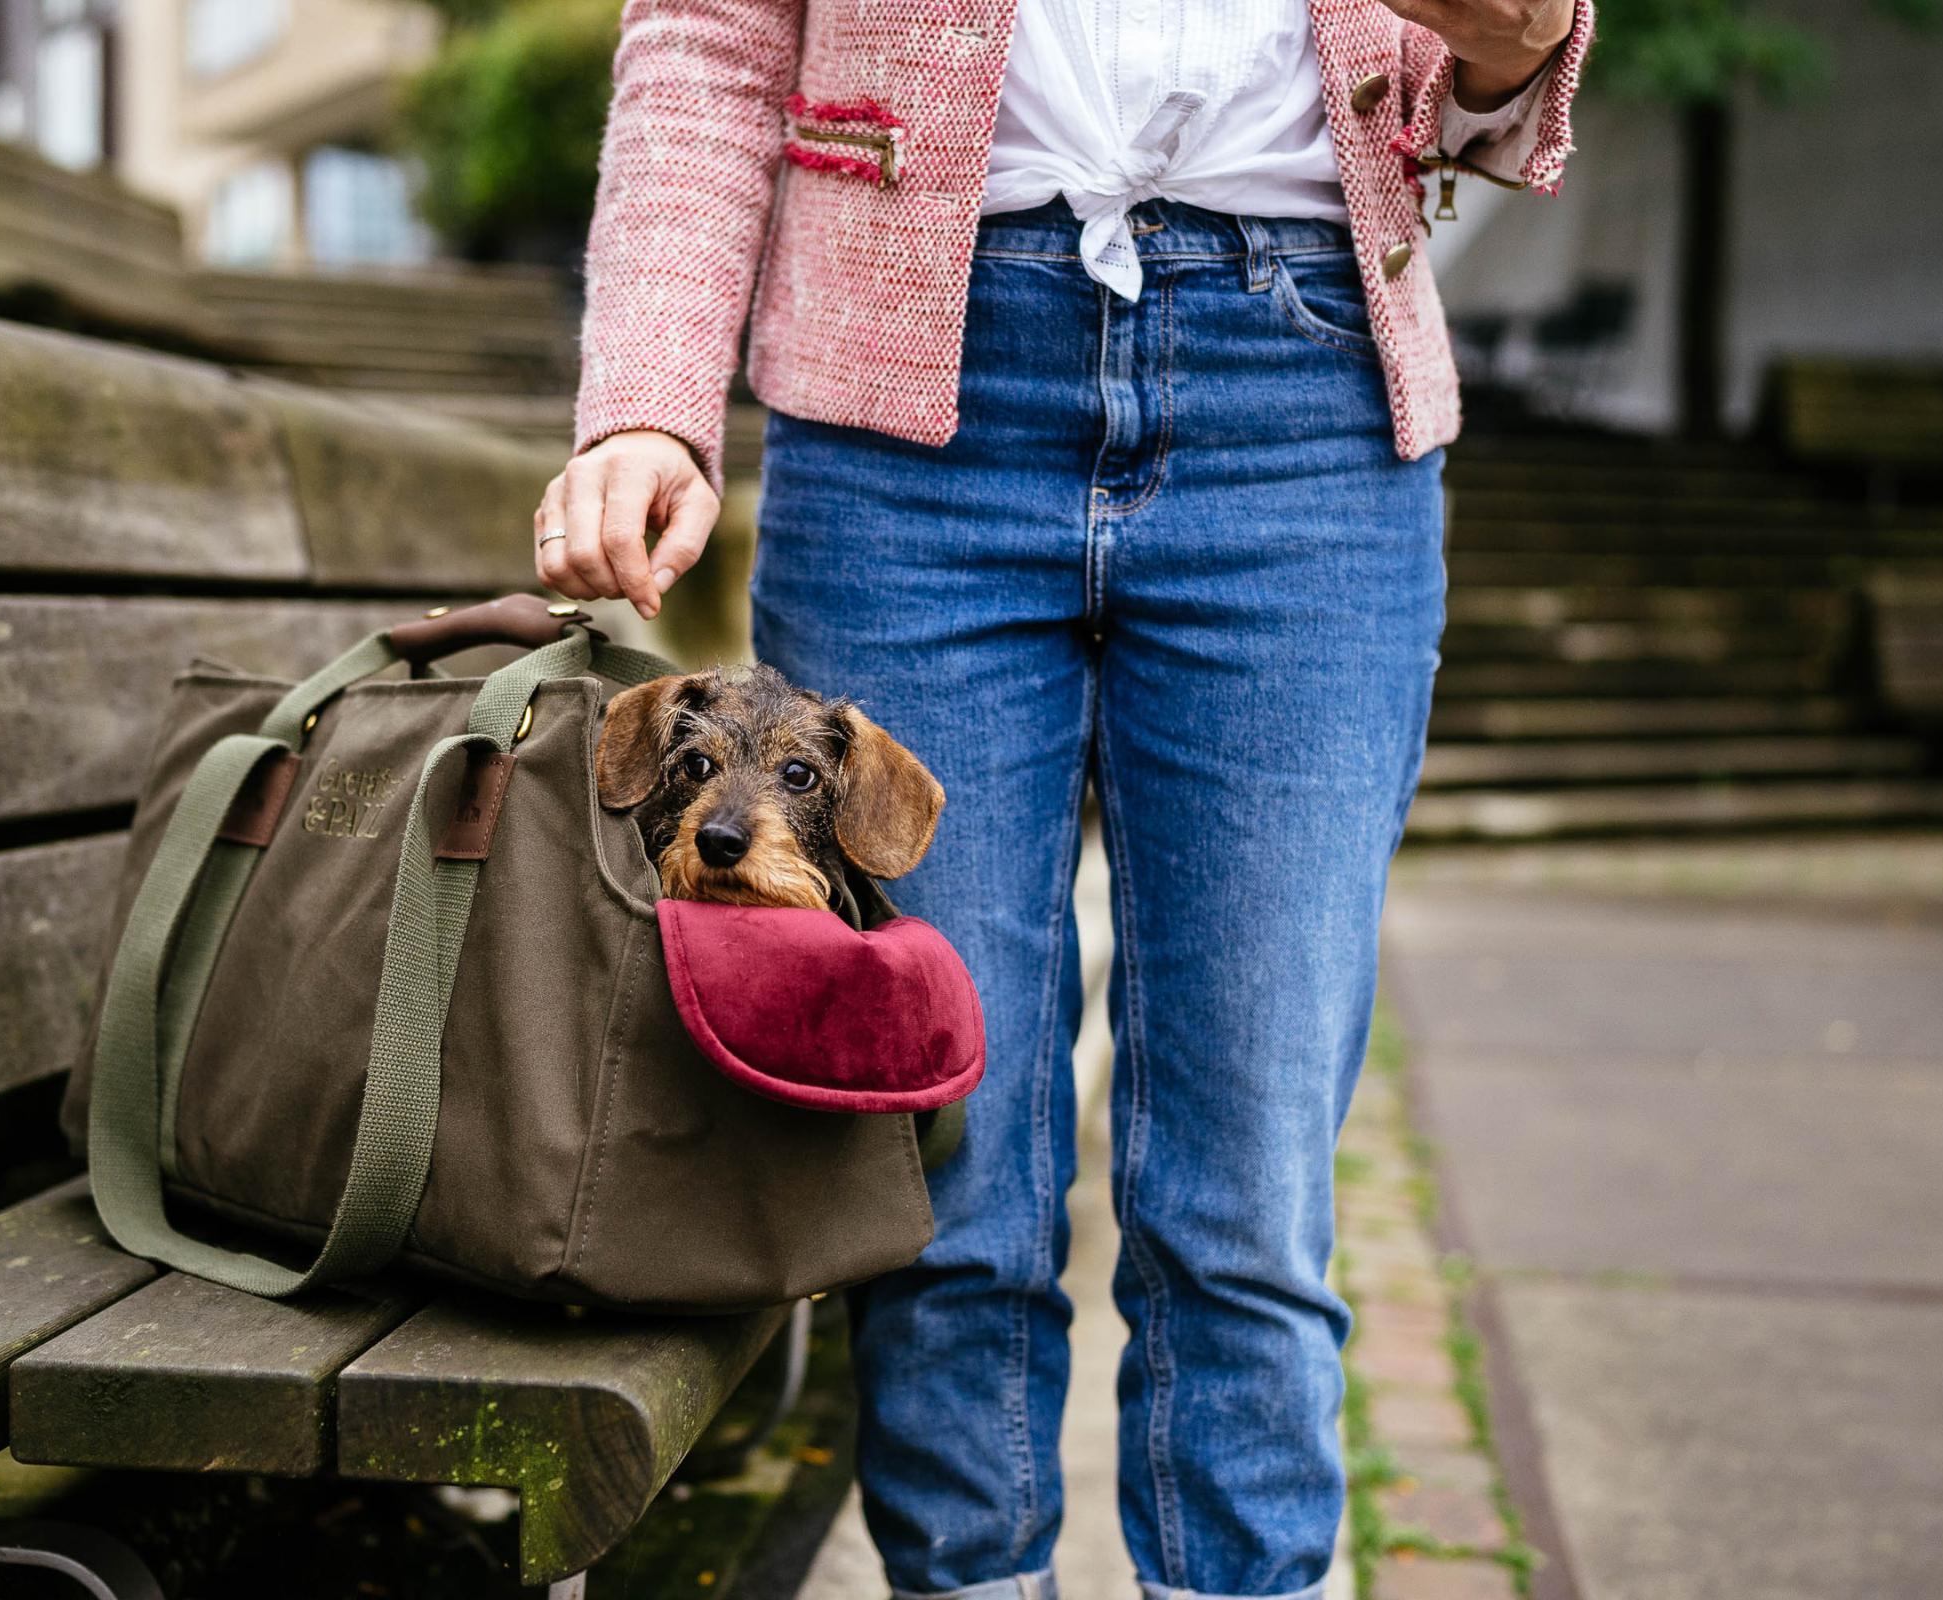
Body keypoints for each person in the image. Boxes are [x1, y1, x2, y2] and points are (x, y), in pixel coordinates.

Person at [536, 2, 1588, 1596]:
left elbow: (1486, 77)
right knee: (942, 1173)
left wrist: (1514, 41)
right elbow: (712, 39)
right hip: (905, 406)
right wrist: (646, 393)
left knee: (1251, 1200)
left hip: (1304, 401)